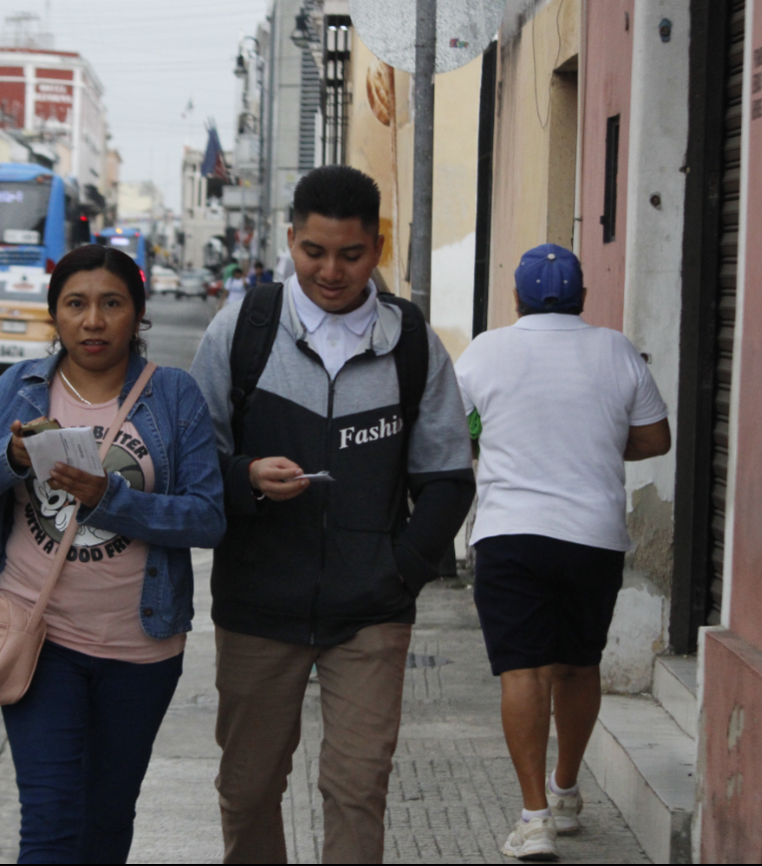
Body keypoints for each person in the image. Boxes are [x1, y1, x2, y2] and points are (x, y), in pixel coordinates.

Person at [0, 244, 226, 863]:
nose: (93, 321)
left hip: (142, 645)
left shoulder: (175, 396)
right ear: (55, 316)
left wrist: (111, 499)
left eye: (111, 304)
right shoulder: (19, 391)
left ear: (138, 314)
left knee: (106, 820)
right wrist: (9, 460)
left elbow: (208, 518)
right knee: (49, 820)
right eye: (76, 304)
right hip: (40, 636)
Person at [190, 165, 475, 864]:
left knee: (356, 788)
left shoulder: (410, 341)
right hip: (258, 606)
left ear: (374, 248)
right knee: (248, 788)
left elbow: (446, 477)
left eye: (349, 254)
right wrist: (247, 479)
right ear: (289, 239)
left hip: (369, 612)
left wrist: (397, 574)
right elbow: (192, 462)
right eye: (313, 251)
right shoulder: (245, 328)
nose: (330, 271)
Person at [453, 244, 671, 861]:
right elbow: (656, 437)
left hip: (510, 533)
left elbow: (455, 429)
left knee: (524, 670)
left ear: (516, 297)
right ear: (582, 298)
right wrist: (598, 442)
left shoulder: (486, 350)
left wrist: (496, 437)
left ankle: (535, 819)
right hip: (592, 536)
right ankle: (568, 791)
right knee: (578, 665)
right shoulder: (615, 348)